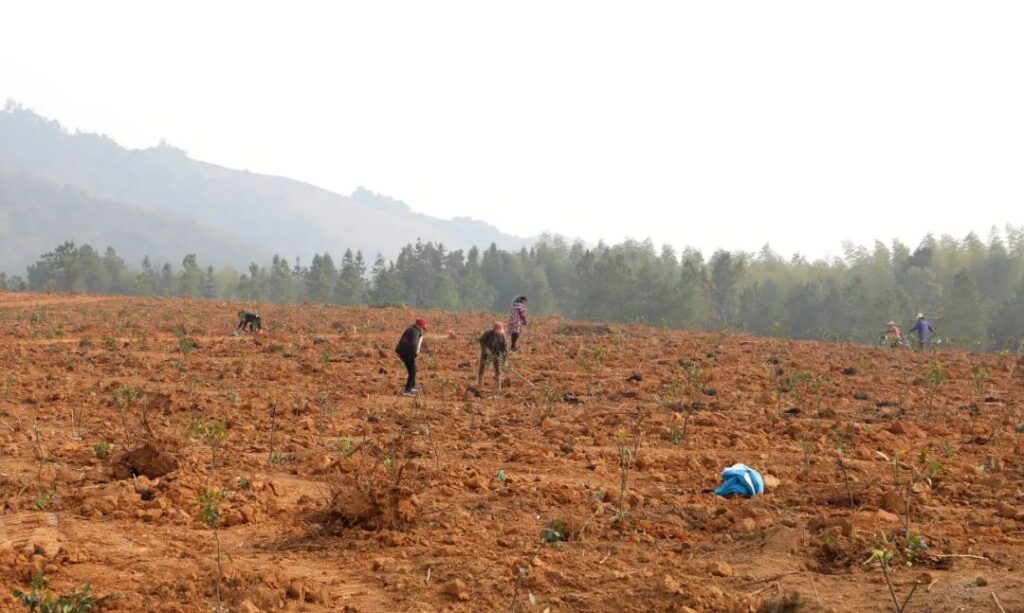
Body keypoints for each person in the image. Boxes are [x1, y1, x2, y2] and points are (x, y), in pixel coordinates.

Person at [395, 318, 427, 396]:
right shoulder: (415, 332)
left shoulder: (410, 329)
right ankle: (408, 390)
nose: (423, 329)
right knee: (412, 372)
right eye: (423, 327)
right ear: (420, 326)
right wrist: (414, 354)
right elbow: (413, 344)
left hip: (403, 353)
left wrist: (398, 351)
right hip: (408, 354)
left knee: (413, 370)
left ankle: (411, 388)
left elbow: (401, 341)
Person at [477, 322, 509, 391]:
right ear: (494, 329)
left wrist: (505, 360)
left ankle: (498, 387)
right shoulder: (488, 333)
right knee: (482, 366)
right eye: (498, 330)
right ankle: (480, 384)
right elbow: (481, 340)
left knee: (497, 368)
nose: (499, 332)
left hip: (496, 353)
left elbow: (505, 350)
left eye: (500, 330)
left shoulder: (503, 336)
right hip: (487, 353)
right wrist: (486, 350)